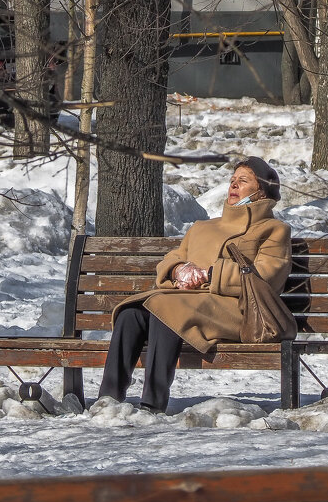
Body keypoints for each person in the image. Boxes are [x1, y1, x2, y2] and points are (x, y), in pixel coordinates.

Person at [96, 157, 292, 413]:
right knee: (132, 313)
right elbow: (175, 257)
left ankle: (152, 404)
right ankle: (108, 400)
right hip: (188, 303)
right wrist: (180, 269)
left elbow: (267, 275)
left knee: (166, 309)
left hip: (235, 309)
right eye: (232, 180)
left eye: (243, 181)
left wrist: (210, 274)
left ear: (261, 191)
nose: (234, 185)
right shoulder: (202, 227)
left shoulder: (273, 229)